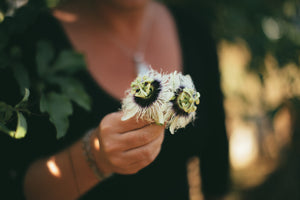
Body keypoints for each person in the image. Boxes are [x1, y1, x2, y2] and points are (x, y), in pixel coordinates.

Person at [0, 0, 229, 199]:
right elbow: (13, 186)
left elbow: (216, 173)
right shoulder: (26, 44)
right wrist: (94, 158)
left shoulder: (196, 35)